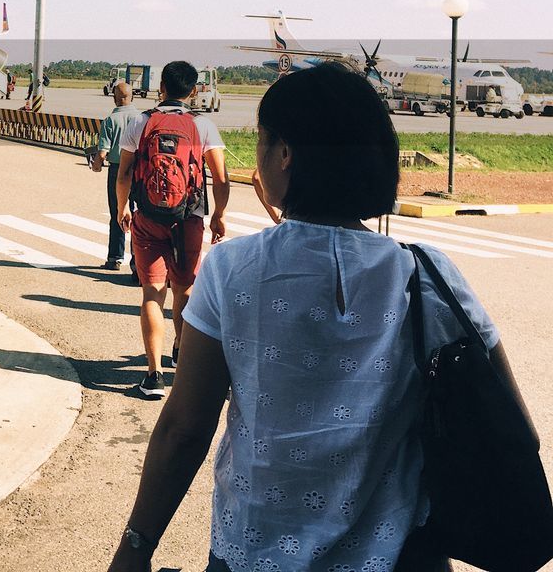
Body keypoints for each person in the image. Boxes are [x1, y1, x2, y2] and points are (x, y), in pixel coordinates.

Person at [107, 64, 527, 572]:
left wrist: (137, 547)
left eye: (263, 142)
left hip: (255, 553)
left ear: (285, 155)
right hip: (404, 558)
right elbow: (513, 428)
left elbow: (184, 430)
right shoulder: (427, 275)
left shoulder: (232, 270)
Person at [116, 61, 228, 399]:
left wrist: (122, 208)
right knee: (184, 291)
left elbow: (124, 173)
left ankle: (153, 376)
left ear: (160, 86)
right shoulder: (203, 126)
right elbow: (221, 179)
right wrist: (218, 215)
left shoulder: (141, 121)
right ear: (193, 91)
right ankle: (183, 359)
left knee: (153, 293)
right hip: (189, 219)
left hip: (148, 217)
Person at [90, 80, 141, 276]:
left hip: (118, 171)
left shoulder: (110, 121)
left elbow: (103, 151)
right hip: (138, 171)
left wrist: (96, 164)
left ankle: (115, 258)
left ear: (114, 98)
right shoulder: (141, 119)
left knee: (118, 213)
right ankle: (137, 261)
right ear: (132, 96)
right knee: (138, 216)